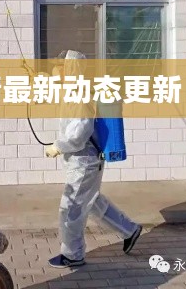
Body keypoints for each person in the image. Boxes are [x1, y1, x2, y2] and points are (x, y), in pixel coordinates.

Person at [44, 49, 143, 269]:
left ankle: (73, 255)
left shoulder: (79, 95)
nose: (55, 71)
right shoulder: (72, 91)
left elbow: (80, 132)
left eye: (59, 67)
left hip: (84, 162)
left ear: (70, 69)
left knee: (70, 208)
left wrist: (58, 147)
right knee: (93, 202)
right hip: (83, 161)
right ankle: (130, 230)